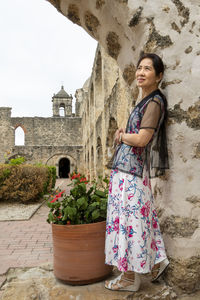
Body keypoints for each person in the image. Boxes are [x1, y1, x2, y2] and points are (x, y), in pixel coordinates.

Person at [105, 53, 169, 292]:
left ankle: (129, 278)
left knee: (129, 224)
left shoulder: (154, 101)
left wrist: (122, 136)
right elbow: (138, 133)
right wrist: (125, 132)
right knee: (140, 220)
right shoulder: (145, 101)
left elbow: (142, 138)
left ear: (159, 76)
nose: (141, 72)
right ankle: (156, 262)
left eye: (148, 69)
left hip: (131, 174)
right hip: (128, 172)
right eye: (139, 68)